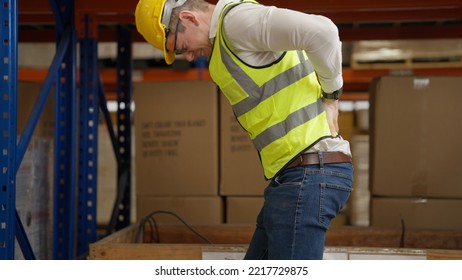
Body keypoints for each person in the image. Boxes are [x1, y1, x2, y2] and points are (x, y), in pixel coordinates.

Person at [135, 0, 353, 260]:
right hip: (293, 177)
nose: (190, 56)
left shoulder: (236, 23)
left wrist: (332, 95)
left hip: (310, 172)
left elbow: (323, 32)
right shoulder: (225, 45)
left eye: (181, 48)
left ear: (189, 18)